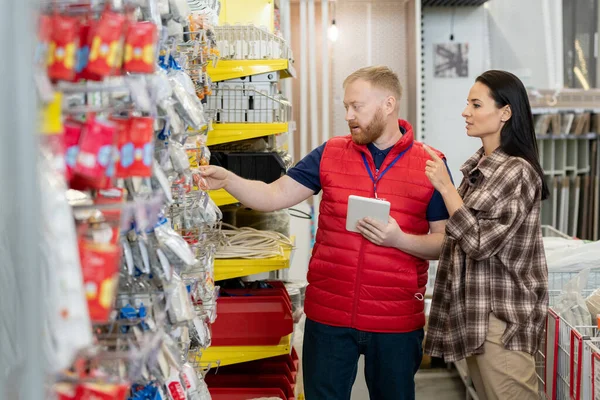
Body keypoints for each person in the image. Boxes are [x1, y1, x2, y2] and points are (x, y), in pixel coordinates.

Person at [200, 65, 451, 400]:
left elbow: (443, 243)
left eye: (357, 106)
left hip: (396, 321)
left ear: (388, 105)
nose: (348, 115)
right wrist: (229, 180)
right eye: (346, 106)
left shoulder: (430, 163)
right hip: (329, 319)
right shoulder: (331, 153)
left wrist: (398, 240)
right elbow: (273, 196)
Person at [423, 70, 549, 400]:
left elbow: (479, 243)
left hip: (501, 321)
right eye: (467, 104)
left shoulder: (517, 171)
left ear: (505, 113)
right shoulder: (479, 169)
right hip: (478, 316)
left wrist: (447, 189)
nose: (466, 111)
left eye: (476, 104)